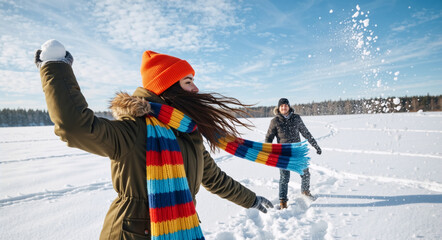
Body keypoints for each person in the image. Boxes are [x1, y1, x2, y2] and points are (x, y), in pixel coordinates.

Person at [35, 40, 274, 240]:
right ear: (168, 87)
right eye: (188, 81)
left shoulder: (188, 132)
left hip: (182, 226)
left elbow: (214, 178)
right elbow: (76, 128)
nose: (195, 89)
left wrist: (251, 200)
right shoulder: (134, 130)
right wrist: (55, 68)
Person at [265, 98, 322, 209]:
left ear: (289, 107)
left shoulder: (296, 118)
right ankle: (283, 201)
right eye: (281, 106)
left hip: (297, 152)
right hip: (283, 153)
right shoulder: (275, 121)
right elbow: (269, 138)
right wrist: (267, 151)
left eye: (286, 105)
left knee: (305, 173)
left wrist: (315, 145)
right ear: (278, 108)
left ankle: (305, 191)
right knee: (284, 178)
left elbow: (305, 132)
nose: (284, 107)